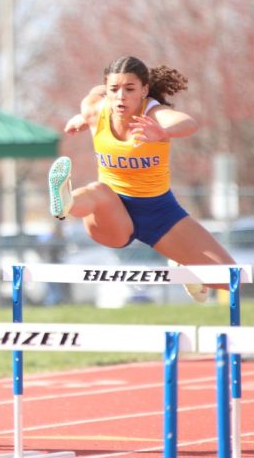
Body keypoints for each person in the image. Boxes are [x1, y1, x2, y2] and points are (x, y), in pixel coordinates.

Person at [47, 55, 236, 302]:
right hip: (113, 215)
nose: (121, 97)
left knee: (232, 279)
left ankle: (186, 269)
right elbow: (96, 94)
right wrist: (83, 118)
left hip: (160, 212)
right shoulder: (95, 108)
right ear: (106, 91)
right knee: (100, 190)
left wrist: (163, 132)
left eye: (130, 89)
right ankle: (65, 201)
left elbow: (188, 123)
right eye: (114, 90)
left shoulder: (154, 114)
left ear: (144, 90)